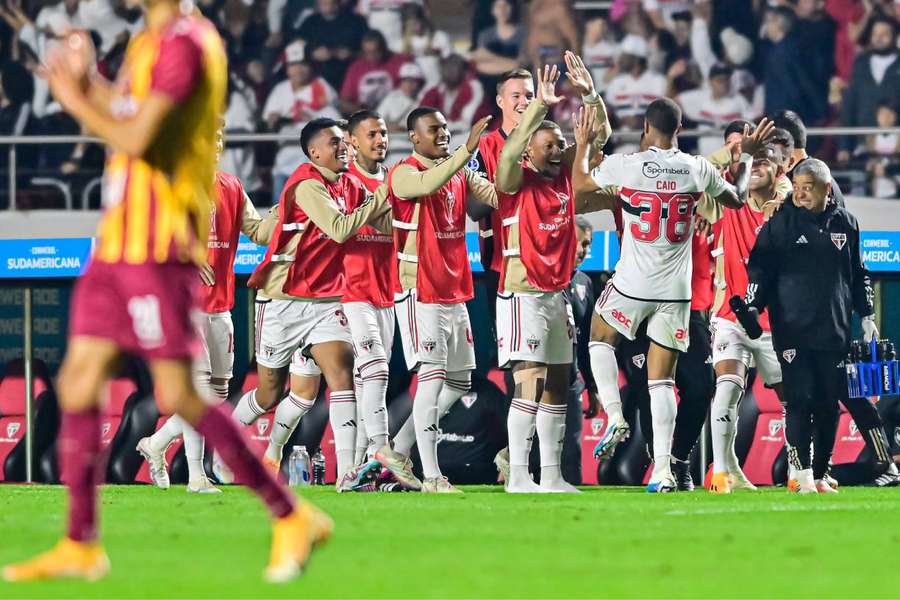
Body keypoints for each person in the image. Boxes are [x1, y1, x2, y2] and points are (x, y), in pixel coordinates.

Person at [2, 2, 330, 584]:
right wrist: (89, 83)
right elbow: (125, 112)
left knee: (181, 390)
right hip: (117, 239)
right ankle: (80, 543)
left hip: (157, 245)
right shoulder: (147, 40)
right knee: (78, 379)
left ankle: (291, 513)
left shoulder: (186, 42)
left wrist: (73, 98)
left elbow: (138, 136)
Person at [572, 98, 754, 493]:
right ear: (680, 127)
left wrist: (584, 144)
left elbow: (580, 188)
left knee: (599, 339)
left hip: (633, 283)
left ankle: (616, 415)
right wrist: (749, 161)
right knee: (662, 382)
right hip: (676, 292)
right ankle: (663, 473)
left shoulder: (629, 164)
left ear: (645, 126)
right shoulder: (696, 167)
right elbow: (738, 199)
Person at [232, 118, 391, 491]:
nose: (343, 148)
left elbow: (379, 215)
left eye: (344, 142)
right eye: (334, 142)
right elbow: (339, 229)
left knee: (340, 375)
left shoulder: (348, 184)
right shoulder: (306, 185)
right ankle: (227, 447)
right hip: (284, 300)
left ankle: (349, 471)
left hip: (327, 301)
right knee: (270, 393)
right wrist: (385, 196)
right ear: (313, 152)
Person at [494, 63, 611, 494]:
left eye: (561, 143)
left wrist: (592, 95)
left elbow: (599, 137)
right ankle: (519, 476)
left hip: (556, 294)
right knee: (530, 379)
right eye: (550, 144)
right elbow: (507, 154)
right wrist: (539, 105)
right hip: (522, 294)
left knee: (559, 383)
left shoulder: (567, 176)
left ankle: (553, 475)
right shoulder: (515, 180)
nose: (559, 149)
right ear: (529, 150)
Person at [137, 128, 274, 495]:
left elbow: (258, 231)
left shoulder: (230, 185)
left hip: (219, 304)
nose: (211, 144)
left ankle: (157, 442)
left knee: (215, 394)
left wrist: (287, 211)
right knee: (198, 392)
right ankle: (196, 476)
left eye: (217, 138)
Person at [742, 158, 880, 493]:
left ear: (826, 188)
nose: (801, 195)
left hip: (833, 329)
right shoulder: (779, 225)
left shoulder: (847, 223)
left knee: (828, 403)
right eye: (798, 188)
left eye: (808, 188)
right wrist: (753, 306)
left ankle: (820, 474)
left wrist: (868, 315)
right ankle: (800, 472)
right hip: (792, 329)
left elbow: (859, 273)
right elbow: (760, 271)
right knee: (800, 399)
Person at [384, 108, 497, 493]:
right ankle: (432, 475)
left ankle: (397, 448)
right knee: (430, 380)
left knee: (460, 380)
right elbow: (427, 185)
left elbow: (497, 196)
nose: (443, 134)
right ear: (414, 137)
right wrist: (466, 151)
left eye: (447, 128)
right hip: (419, 288)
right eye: (434, 129)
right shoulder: (402, 173)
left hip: (453, 288)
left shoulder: (459, 171)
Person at [341, 110, 422, 490]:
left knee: (367, 381)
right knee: (374, 370)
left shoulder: (396, 181)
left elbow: (399, 229)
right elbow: (343, 227)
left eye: (384, 133)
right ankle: (380, 450)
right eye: (371, 134)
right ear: (352, 141)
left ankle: (358, 471)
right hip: (350, 291)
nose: (381, 140)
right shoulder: (343, 182)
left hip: (386, 292)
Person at [705, 144, 787, 494]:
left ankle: (803, 470)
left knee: (792, 398)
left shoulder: (790, 208)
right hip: (730, 315)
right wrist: (734, 153)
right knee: (727, 386)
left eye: (765, 161)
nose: (756, 167)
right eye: (752, 161)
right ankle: (722, 472)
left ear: (781, 170)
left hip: (775, 321)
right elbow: (690, 174)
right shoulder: (725, 200)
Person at [562, 217, 600, 485]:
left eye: (588, 244)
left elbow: (587, 340)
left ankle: (569, 495)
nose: (585, 250)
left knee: (571, 445)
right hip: (538, 374)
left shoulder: (585, 283)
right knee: (534, 443)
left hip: (571, 379)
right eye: (580, 243)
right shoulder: (541, 274)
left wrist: (593, 387)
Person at [339, 29, 410, 115]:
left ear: (384, 48)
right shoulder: (356, 67)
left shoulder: (399, 61)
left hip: (394, 111)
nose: (372, 56)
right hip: (365, 114)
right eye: (368, 52)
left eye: (376, 51)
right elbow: (344, 101)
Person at [419, 54, 485, 132]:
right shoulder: (436, 90)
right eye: (447, 67)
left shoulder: (473, 87)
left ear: (463, 70)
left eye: (454, 67)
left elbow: (466, 123)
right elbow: (421, 116)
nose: (450, 71)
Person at [377, 62, 427, 133]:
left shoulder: (424, 98)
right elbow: (376, 121)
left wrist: (403, 128)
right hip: (393, 140)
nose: (408, 85)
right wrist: (387, 126)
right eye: (405, 81)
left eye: (413, 81)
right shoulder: (392, 97)